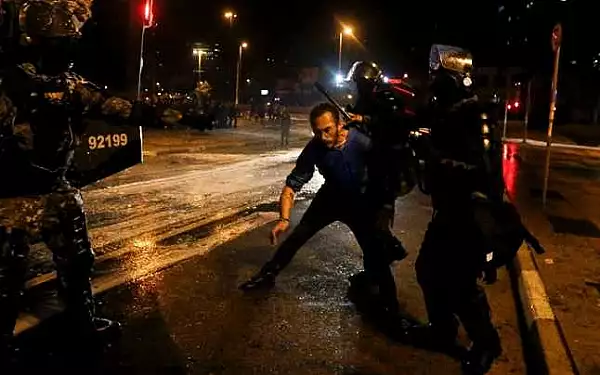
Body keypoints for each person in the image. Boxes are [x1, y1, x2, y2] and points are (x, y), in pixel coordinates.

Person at [0, 0, 136, 363]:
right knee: (6, 275)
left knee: (77, 264)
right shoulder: (8, 82)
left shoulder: (70, 84)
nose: (69, 46)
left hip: (57, 189)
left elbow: (114, 108)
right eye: (62, 41)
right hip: (13, 194)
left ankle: (83, 326)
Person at [239, 102, 406, 318]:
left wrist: (385, 208)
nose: (323, 136)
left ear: (339, 124)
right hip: (329, 199)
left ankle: (391, 307)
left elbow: (387, 175)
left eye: (327, 130)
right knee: (296, 237)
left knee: (375, 253)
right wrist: (284, 218)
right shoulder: (315, 147)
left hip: (361, 204)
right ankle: (267, 274)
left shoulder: (362, 142)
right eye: (317, 132)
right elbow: (292, 185)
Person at [410, 45, 505, 374]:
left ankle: (487, 343)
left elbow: (481, 172)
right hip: (448, 211)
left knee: (462, 285)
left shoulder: (474, 116)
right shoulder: (449, 113)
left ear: (455, 80)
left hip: (470, 215)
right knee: (427, 270)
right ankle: (442, 330)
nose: (433, 84)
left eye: (439, 78)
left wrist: (432, 154)